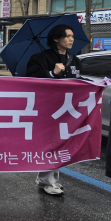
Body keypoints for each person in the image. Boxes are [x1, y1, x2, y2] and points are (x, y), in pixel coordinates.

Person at [25, 24, 82, 196]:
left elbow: (79, 82)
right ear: (56, 39)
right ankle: (47, 180)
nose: (71, 39)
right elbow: (29, 79)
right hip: (46, 110)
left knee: (61, 144)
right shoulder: (40, 58)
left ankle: (48, 178)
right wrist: (51, 72)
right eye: (67, 36)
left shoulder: (75, 60)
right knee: (50, 144)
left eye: (72, 36)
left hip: (67, 111)